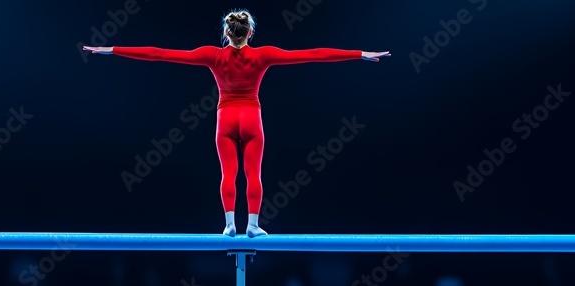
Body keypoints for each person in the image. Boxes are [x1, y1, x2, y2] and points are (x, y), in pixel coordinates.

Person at [84, 9, 390, 237]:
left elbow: (159, 54)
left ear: (227, 33)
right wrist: (360, 54)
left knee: (228, 173)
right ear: (250, 33)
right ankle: (253, 225)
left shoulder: (212, 56)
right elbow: (314, 55)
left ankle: (230, 224)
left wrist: (112, 49)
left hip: (225, 118)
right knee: (252, 173)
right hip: (252, 118)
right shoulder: (264, 55)